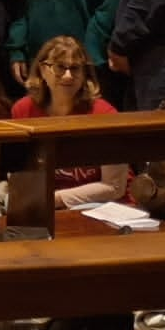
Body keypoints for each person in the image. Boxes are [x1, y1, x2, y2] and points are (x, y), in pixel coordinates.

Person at [12, 36, 125, 207]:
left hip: (102, 206)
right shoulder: (22, 110)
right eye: (60, 67)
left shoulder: (105, 114)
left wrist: (52, 199)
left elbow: (114, 187)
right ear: (43, 70)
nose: (68, 76)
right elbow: (18, 175)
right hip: (41, 206)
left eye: (75, 68)